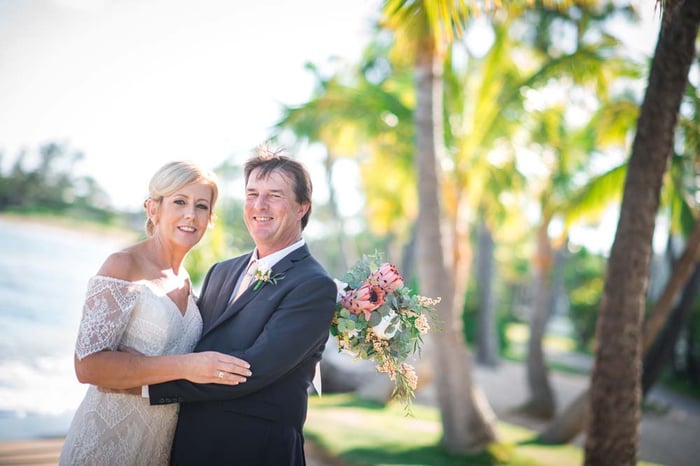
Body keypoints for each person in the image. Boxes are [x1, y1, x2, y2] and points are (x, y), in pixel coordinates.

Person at [145, 146, 337, 465]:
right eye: (252, 194)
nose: (259, 206)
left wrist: (142, 381)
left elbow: (252, 369)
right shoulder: (222, 271)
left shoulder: (314, 285)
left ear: (302, 207)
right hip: (189, 445)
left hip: (256, 451)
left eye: (274, 195)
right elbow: (196, 341)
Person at [59, 161, 252, 466]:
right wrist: (186, 366)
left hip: (157, 448)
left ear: (210, 219)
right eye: (179, 202)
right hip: (105, 444)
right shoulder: (123, 265)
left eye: (201, 206)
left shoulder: (187, 281)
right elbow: (88, 366)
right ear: (153, 209)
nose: (191, 214)